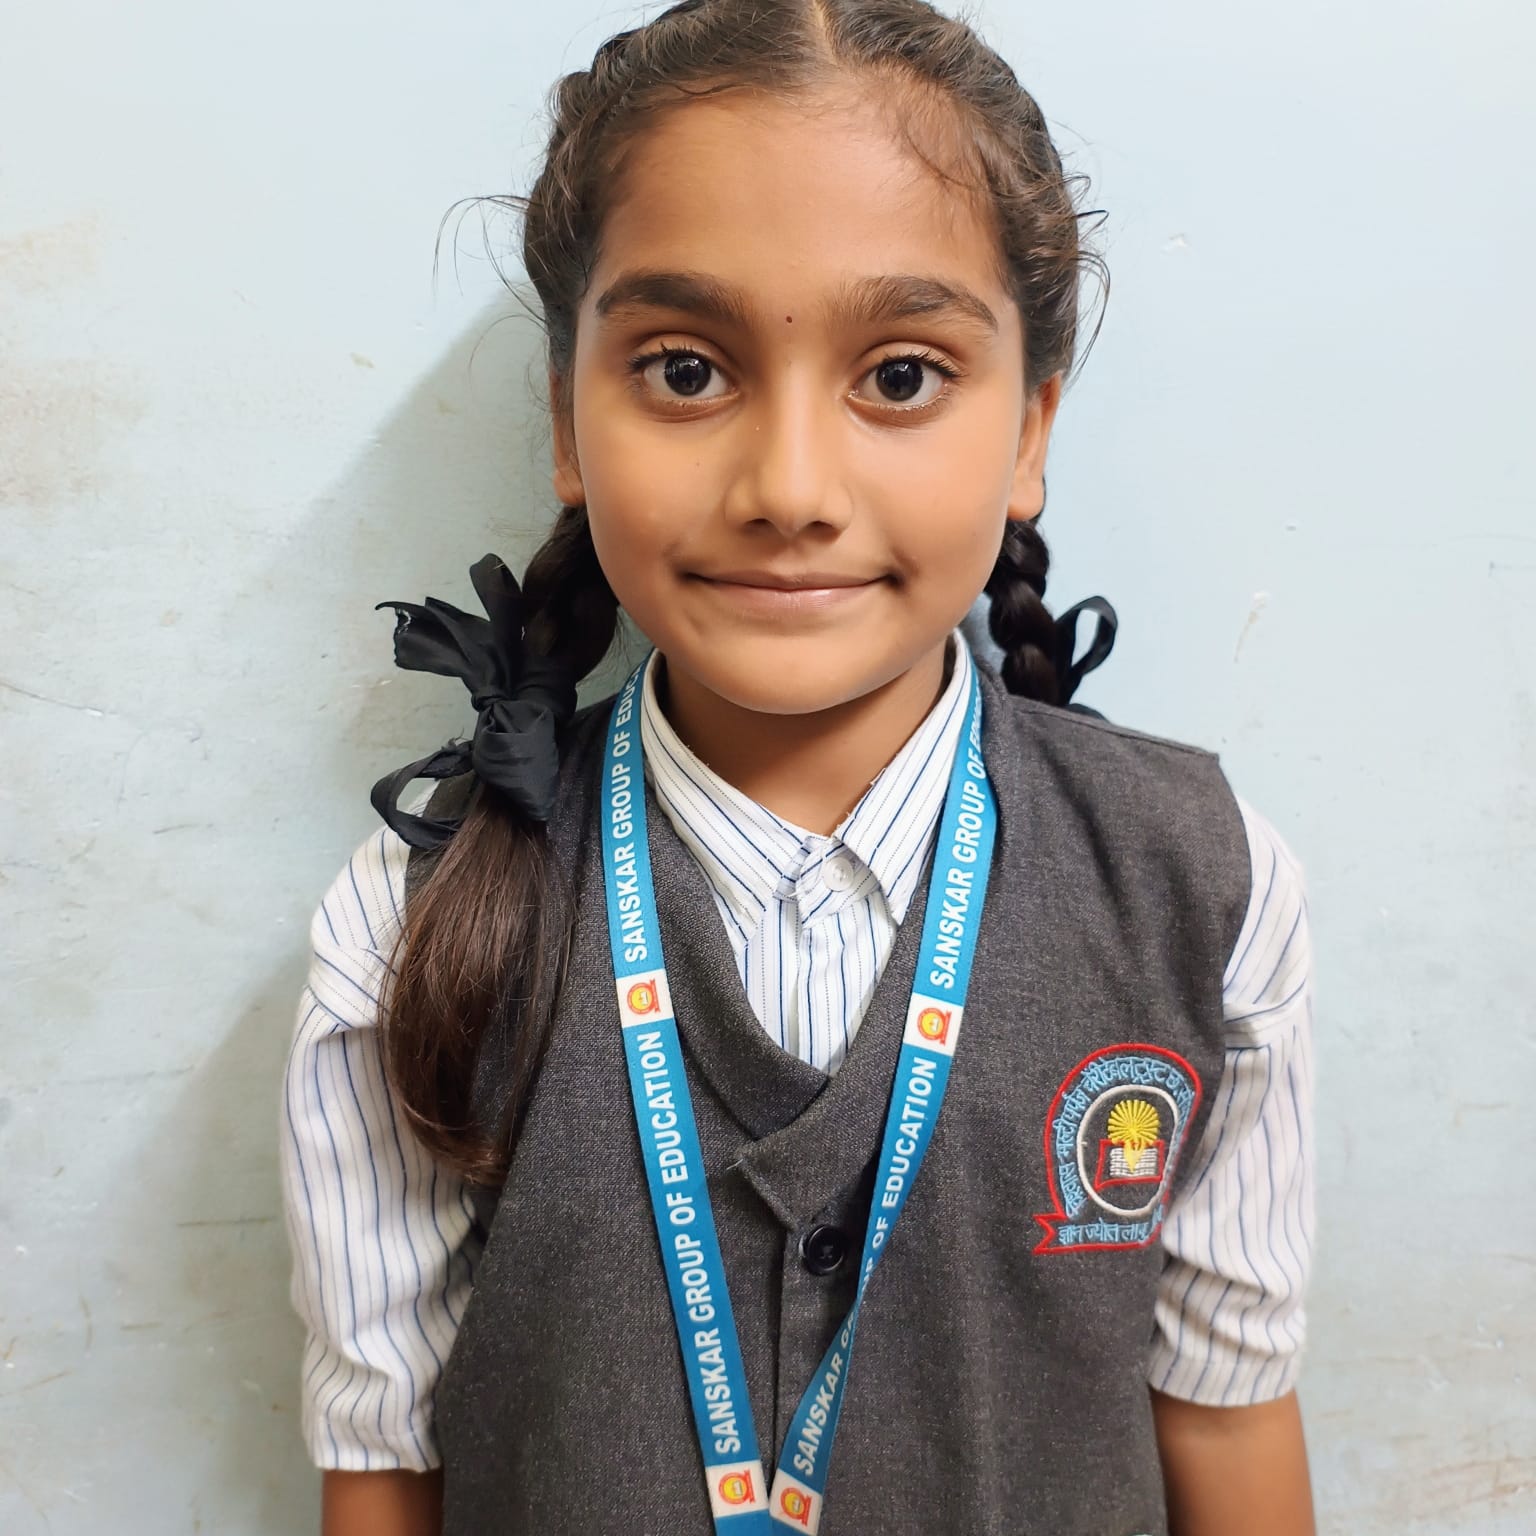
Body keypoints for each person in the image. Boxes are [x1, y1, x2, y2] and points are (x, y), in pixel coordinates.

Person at [279, 2, 1316, 1532]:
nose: (789, 488)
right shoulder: (415, 921)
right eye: (684, 369)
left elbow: (1229, 1414)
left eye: (898, 377)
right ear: (568, 418)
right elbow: (382, 1462)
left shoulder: (1204, 895)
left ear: (1031, 432)